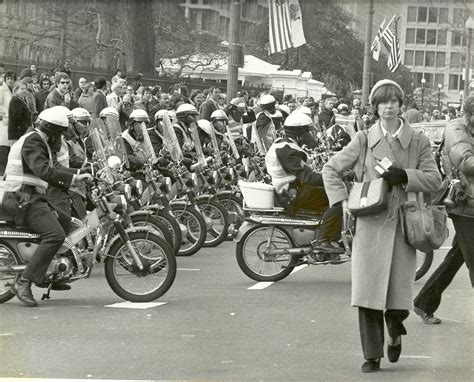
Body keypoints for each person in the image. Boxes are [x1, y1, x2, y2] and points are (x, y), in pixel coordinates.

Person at [322, 79, 441, 373]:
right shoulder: (363, 140)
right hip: (369, 223)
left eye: (394, 101)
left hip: (404, 224)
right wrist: (342, 204)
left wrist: (405, 176)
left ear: (401, 105)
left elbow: (435, 179)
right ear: (374, 108)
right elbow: (330, 168)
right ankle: (371, 355)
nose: (388, 106)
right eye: (382, 102)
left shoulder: (418, 141)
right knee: (366, 293)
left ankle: (395, 324)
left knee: (398, 294)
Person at [3, 106, 92, 307]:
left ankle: (49, 272)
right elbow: (43, 171)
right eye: (60, 133)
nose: (61, 138)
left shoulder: (40, 141)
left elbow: (55, 168)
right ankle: (24, 281)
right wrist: (75, 178)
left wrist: (79, 171)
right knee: (56, 235)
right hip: (21, 200)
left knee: (68, 222)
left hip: (31, 198)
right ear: (52, 131)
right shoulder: (33, 142)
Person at [413, 96, 474, 324]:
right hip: (464, 204)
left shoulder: (469, 128)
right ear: (470, 114)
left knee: (456, 257)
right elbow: (467, 162)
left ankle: (424, 302)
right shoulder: (456, 129)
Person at [265, 112, 342, 251]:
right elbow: (308, 177)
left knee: (328, 200)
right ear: (299, 134)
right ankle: (323, 240)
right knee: (337, 199)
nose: (310, 134)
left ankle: (328, 235)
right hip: (291, 194)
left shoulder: (283, 144)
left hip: (290, 189)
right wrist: (334, 177)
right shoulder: (289, 151)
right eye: (308, 131)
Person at [0, 71, 14, 175]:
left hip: (11, 122)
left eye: (12, 78)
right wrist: (4, 114)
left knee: (9, 146)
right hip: (4, 121)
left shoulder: (13, 90)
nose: (10, 80)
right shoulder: (2, 90)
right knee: (3, 145)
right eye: (8, 78)